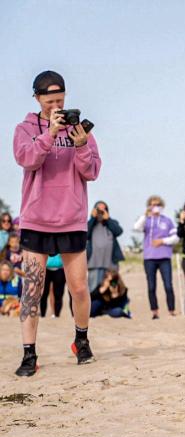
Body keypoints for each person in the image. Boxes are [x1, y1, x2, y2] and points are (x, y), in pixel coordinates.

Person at [13, 70, 101, 377]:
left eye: (60, 100)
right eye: (49, 101)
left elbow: (91, 172)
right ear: (37, 99)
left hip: (71, 219)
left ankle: (81, 340)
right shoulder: (25, 129)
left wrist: (81, 145)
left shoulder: (79, 129)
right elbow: (27, 160)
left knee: (78, 288)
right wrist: (49, 134)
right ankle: (29, 354)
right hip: (36, 219)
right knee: (32, 290)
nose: (55, 106)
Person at [134, 195, 179, 319]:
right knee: (151, 286)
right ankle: (155, 312)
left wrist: (162, 241)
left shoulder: (167, 221)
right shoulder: (146, 220)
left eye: (158, 204)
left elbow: (175, 238)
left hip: (164, 257)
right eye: (153, 204)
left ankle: (171, 310)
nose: (156, 207)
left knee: (168, 285)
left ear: (162, 206)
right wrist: (145, 215)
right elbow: (136, 228)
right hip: (149, 258)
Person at [86, 201, 124, 293]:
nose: (101, 212)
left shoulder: (112, 223)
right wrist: (92, 218)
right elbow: (85, 234)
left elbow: (118, 231)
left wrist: (108, 219)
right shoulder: (90, 224)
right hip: (94, 264)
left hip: (111, 265)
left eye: (104, 209)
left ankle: (111, 307)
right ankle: (94, 307)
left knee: (113, 289)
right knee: (93, 290)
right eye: (99, 209)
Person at [40, 254, 65, 318]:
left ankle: (57, 315)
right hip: (45, 268)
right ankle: (42, 314)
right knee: (44, 294)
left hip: (59, 268)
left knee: (58, 294)